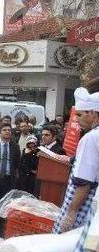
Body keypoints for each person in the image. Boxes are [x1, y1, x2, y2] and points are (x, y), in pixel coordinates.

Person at [53, 85, 99, 234]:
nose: (76, 120)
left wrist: (71, 213)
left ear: (92, 113)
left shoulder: (91, 138)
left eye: (79, 115)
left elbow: (84, 182)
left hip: (82, 204)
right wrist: (70, 159)